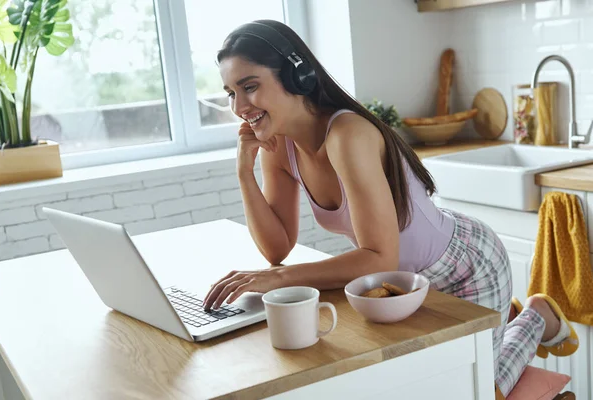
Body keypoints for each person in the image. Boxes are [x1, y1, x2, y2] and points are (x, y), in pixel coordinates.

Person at [202, 19, 579, 396]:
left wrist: (279, 278)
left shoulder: (347, 135)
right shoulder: (278, 146)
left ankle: (535, 317)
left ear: (298, 76)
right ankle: (507, 319)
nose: (239, 107)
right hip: (405, 286)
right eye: (231, 93)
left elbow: (379, 258)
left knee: (478, 390)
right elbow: (276, 247)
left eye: (249, 87)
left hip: (467, 267)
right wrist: (243, 173)